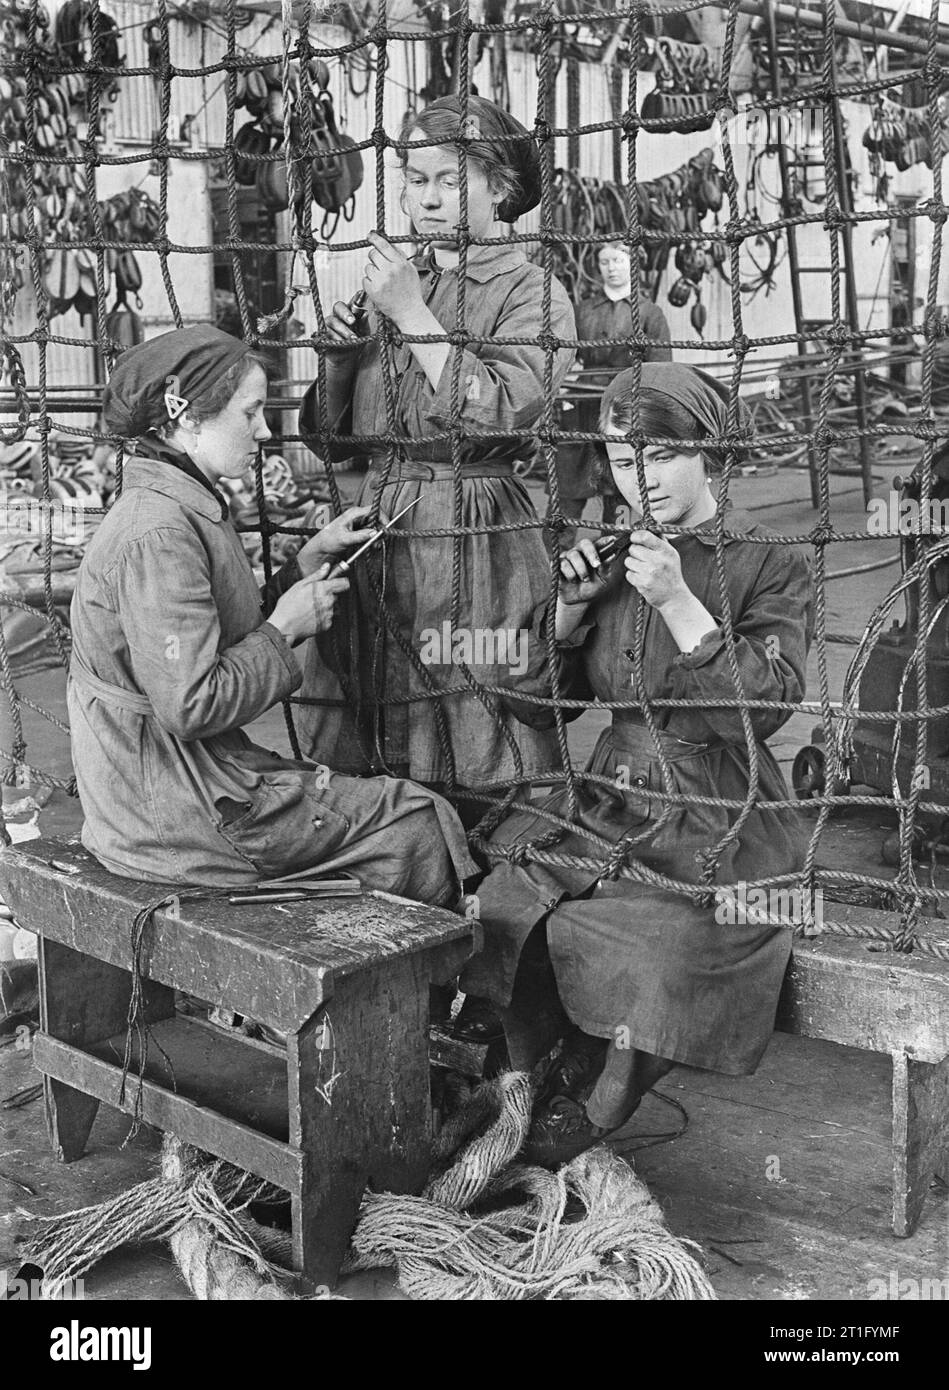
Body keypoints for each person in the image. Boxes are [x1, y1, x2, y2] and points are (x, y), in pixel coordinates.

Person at [459, 363, 814, 1166]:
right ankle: (527, 1068)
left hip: (720, 808)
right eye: (623, 463)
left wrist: (680, 604)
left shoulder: (767, 562)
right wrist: (568, 612)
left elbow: (767, 708)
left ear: (707, 454)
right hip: (613, 794)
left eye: (658, 459)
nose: (638, 483)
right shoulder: (615, 551)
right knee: (509, 889)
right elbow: (530, 705)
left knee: (673, 943)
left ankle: (602, 1096)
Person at [68, 325, 476, 904]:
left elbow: (203, 636)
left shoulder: (177, 501)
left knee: (372, 804)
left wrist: (302, 566)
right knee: (416, 820)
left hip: (158, 792)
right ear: (187, 417)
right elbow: (191, 703)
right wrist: (286, 626)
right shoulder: (158, 533)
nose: (264, 430)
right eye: (251, 411)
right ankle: (407, 984)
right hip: (171, 814)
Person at [298, 95, 576, 815]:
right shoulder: (395, 282)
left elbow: (502, 410)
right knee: (380, 697)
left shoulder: (534, 292)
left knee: (479, 705)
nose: (425, 198)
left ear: (500, 188)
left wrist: (413, 316)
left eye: (447, 181)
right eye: (414, 179)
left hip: (476, 533)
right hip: (384, 522)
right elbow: (333, 441)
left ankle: (497, 865)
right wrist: (340, 352)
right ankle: (403, 848)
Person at [551, 243, 672, 546]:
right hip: (582, 410)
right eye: (605, 261)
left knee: (619, 491)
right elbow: (565, 355)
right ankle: (554, 561)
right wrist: (563, 387)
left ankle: (613, 555)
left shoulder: (649, 313)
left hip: (623, 411)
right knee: (568, 487)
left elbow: (660, 366)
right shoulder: (583, 310)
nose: (611, 267)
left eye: (618, 260)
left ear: (632, 264)